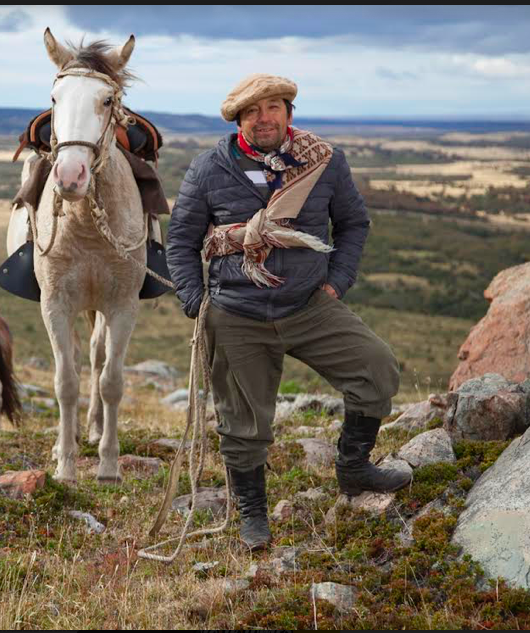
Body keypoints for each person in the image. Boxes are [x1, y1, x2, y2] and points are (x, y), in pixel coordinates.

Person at [165, 73, 411, 550]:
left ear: (289, 113)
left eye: (274, 107)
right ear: (239, 119)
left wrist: (337, 282)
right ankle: (253, 513)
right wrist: (196, 303)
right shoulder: (208, 169)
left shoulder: (324, 163)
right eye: (253, 111)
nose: (264, 118)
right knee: (242, 421)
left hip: (308, 305)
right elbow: (180, 239)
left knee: (377, 369)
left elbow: (354, 222)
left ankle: (354, 468)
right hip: (236, 311)